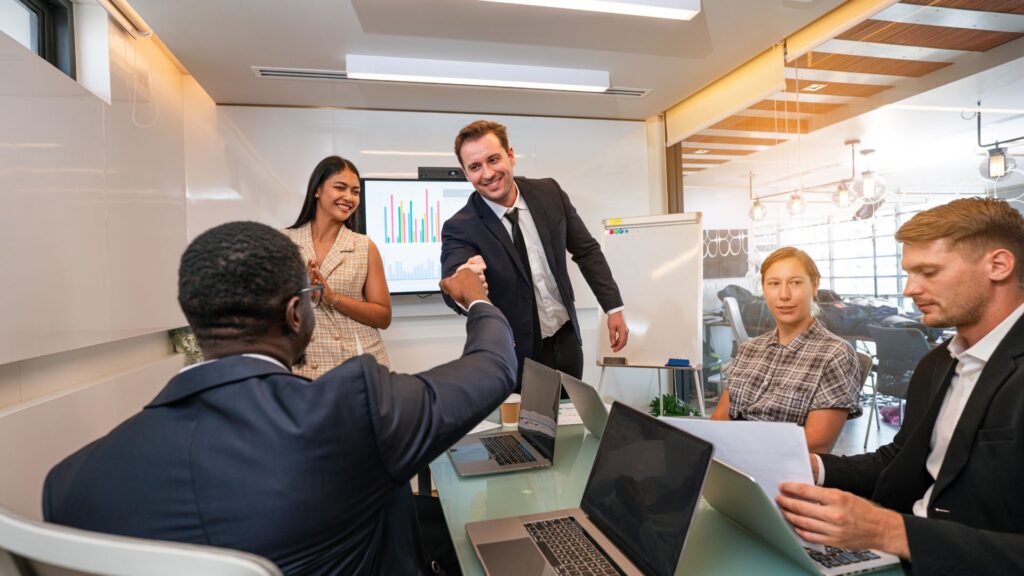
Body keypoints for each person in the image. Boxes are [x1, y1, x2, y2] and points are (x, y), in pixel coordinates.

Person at [43, 221, 516, 575]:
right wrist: (477, 301)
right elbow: (493, 368)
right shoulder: (351, 412)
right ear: (296, 313)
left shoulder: (69, 485)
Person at [776, 198, 1024, 574]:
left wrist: (893, 532)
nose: (910, 289)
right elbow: (899, 459)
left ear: (999, 265)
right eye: (909, 272)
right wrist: (816, 468)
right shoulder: (937, 364)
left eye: (928, 271)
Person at [440, 119, 628, 387]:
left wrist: (614, 308)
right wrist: (465, 280)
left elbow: (586, 251)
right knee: (529, 429)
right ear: (465, 172)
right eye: (475, 167)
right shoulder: (461, 227)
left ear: (511, 155)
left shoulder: (548, 193)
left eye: (493, 159)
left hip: (566, 343)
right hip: (516, 355)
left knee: (570, 423)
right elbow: (453, 279)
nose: (488, 173)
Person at [710, 247, 861, 453]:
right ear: (763, 288)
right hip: (732, 461)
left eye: (795, 283)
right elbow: (719, 419)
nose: (784, 295)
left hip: (784, 470)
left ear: (814, 285)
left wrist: (741, 447)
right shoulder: (749, 349)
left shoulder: (834, 354)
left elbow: (817, 441)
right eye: (774, 284)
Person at [283, 155, 391, 377]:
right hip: (301, 365)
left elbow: (383, 317)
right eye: (340, 188)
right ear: (317, 190)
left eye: (355, 192)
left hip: (356, 365)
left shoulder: (364, 247)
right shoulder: (284, 243)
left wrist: (332, 298)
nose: (349, 197)